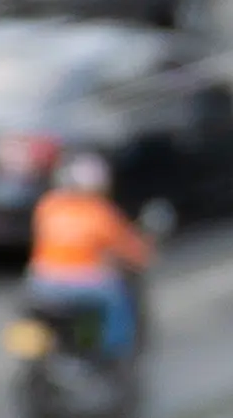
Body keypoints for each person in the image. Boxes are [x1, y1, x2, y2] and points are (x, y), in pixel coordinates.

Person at [25, 151, 151, 361]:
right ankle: (113, 352)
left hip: (40, 282)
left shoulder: (47, 205)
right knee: (116, 300)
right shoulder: (99, 213)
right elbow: (129, 249)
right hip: (82, 285)